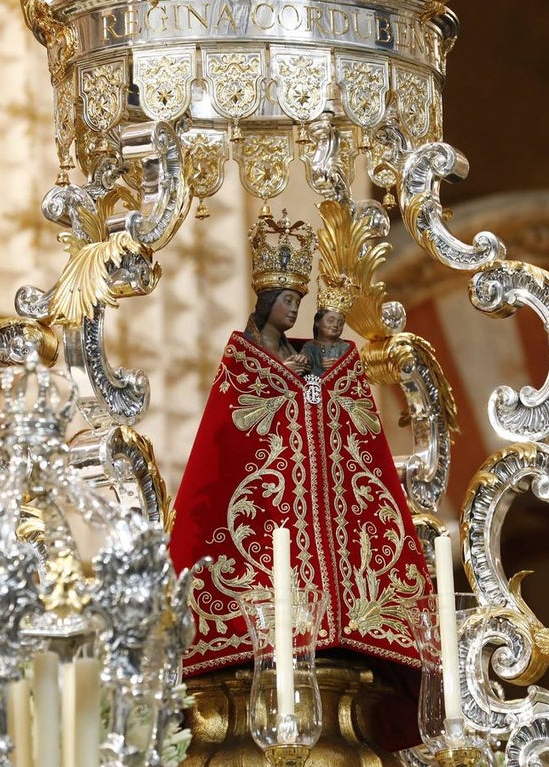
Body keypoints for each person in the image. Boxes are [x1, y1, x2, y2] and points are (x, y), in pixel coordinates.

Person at [168, 212, 430, 749]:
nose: (296, 309)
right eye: (287, 299)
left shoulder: (313, 360)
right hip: (260, 586)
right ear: (267, 303)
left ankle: (339, 619)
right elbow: (218, 469)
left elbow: (354, 440)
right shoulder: (244, 365)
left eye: (298, 300)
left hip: (337, 613)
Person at [304, 308, 348, 376]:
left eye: (340, 323)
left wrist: (339, 366)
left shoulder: (346, 347)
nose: (336, 325)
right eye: (331, 321)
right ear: (317, 322)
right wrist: (301, 360)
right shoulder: (309, 346)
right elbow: (305, 365)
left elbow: (352, 369)